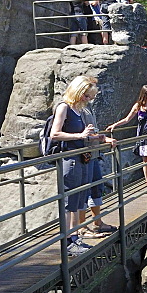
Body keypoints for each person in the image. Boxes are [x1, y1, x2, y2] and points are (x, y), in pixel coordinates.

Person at [49, 75, 109, 256]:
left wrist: (93, 137)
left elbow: (82, 135)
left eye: (90, 97)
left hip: (83, 158)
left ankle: (75, 237)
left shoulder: (78, 110)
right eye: (86, 96)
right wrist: (80, 136)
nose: (88, 100)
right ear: (78, 92)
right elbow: (55, 134)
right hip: (71, 160)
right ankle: (68, 241)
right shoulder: (64, 107)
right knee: (70, 201)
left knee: (80, 198)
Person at [106, 85, 147, 190]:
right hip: (141, 137)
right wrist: (115, 125)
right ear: (143, 95)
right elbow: (127, 119)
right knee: (145, 161)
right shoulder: (138, 106)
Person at [80, 78, 118, 237]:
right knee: (82, 191)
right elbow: (81, 134)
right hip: (83, 156)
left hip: (93, 154)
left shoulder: (87, 107)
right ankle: (81, 226)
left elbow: (91, 131)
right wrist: (98, 137)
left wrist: (101, 138)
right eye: (89, 95)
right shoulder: (75, 109)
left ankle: (97, 222)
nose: (92, 98)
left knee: (97, 188)